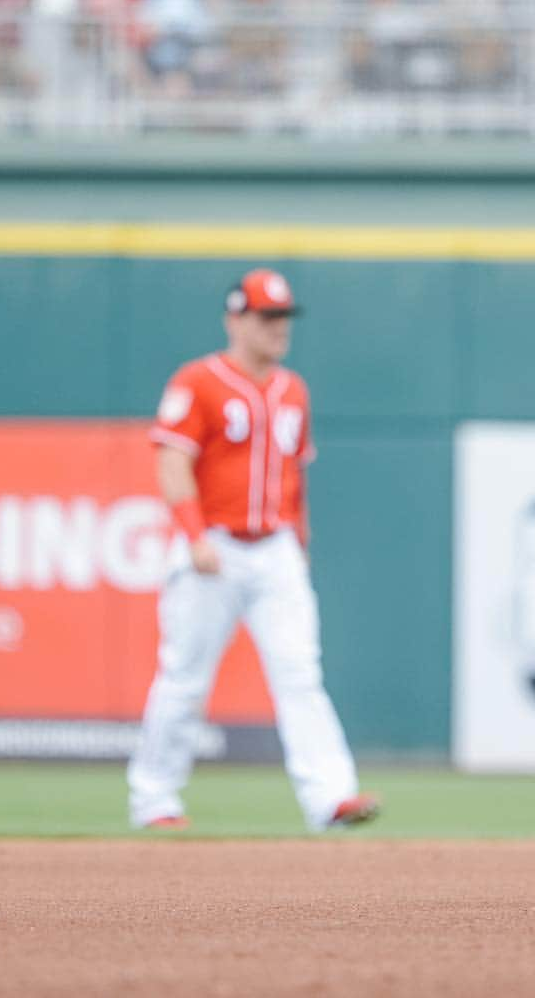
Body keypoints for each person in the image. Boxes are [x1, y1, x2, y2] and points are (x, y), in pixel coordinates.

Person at [128, 267, 379, 832]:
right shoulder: (198, 380)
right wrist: (192, 534)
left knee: (300, 674)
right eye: (267, 317)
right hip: (214, 544)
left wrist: (300, 539)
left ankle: (330, 798)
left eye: (284, 317)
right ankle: (154, 800)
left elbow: (294, 474)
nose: (278, 328)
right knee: (185, 678)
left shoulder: (294, 389)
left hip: (275, 549)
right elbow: (172, 461)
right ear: (235, 318)